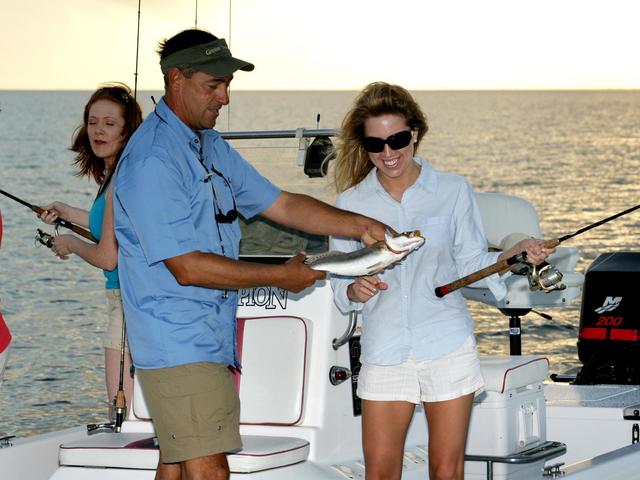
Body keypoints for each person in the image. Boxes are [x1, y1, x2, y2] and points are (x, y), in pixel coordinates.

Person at [112, 28, 388, 480]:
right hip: (177, 343)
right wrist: (279, 277)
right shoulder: (153, 161)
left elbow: (279, 203)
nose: (224, 98)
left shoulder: (208, 144)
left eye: (227, 85)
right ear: (175, 79)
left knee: (178, 463)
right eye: (212, 86)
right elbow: (187, 267)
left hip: (204, 337)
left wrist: (360, 225)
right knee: (209, 468)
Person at [330, 82, 554, 480]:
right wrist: (353, 289)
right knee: (379, 472)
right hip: (384, 348)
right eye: (375, 144)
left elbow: (471, 260)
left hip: (446, 342)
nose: (388, 153)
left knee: (447, 471)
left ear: (414, 133)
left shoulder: (452, 190)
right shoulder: (350, 204)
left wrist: (511, 257)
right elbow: (339, 283)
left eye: (397, 139)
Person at [37, 83, 143, 418]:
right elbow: (107, 228)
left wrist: (70, 244)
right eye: (93, 121)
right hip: (132, 303)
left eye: (110, 124)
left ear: (127, 132)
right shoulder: (116, 176)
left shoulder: (120, 181)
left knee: (119, 413)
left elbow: (108, 256)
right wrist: (67, 212)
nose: (98, 130)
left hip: (126, 307)